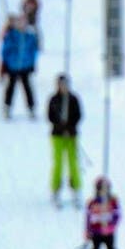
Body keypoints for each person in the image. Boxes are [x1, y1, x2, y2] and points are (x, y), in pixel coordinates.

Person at [47, 74, 82, 208]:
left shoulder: (73, 99)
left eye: (66, 85)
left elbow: (78, 115)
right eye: (61, 85)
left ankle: (76, 189)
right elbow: (50, 117)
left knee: (73, 163)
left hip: (71, 136)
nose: (63, 87)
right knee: (58, 163)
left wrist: (70, 127)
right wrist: (61, 127)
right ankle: (55, 189)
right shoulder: (54, 99)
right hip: (57, 135)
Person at [0, 15, 39, 119]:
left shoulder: (30, 36)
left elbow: (33, 51)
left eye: (23, 22)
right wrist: (6, 62)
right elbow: (5, 50)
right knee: (11, 87)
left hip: (25, 65)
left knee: (27, 87)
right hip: (13, 65)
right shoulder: (11, 35)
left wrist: (32, 63)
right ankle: (7, 107)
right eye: (19, 22)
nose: (21, 25)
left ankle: (31, 108)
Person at [84, 177, 120, 249]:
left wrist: (111, 226)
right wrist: (88, 231)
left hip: (109, 232)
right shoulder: (92, 202)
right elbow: (88, 218)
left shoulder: (113, 201)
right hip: (96, 232)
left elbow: (117, 215)